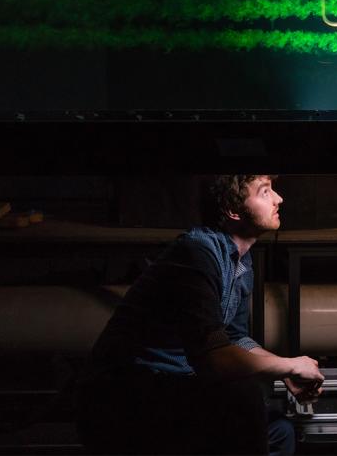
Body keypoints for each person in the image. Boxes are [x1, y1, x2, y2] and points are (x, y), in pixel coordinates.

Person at [75, 175, 324, 455]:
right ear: (233, 210)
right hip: (124, 394)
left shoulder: (242, 263)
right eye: (265, 192)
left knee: (279, 431)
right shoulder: (197, 253)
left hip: (172, 389)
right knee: (246, 398)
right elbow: (215, 357)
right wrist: (288, 366)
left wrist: (283, 371)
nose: (279, 199)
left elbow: (235, 338)